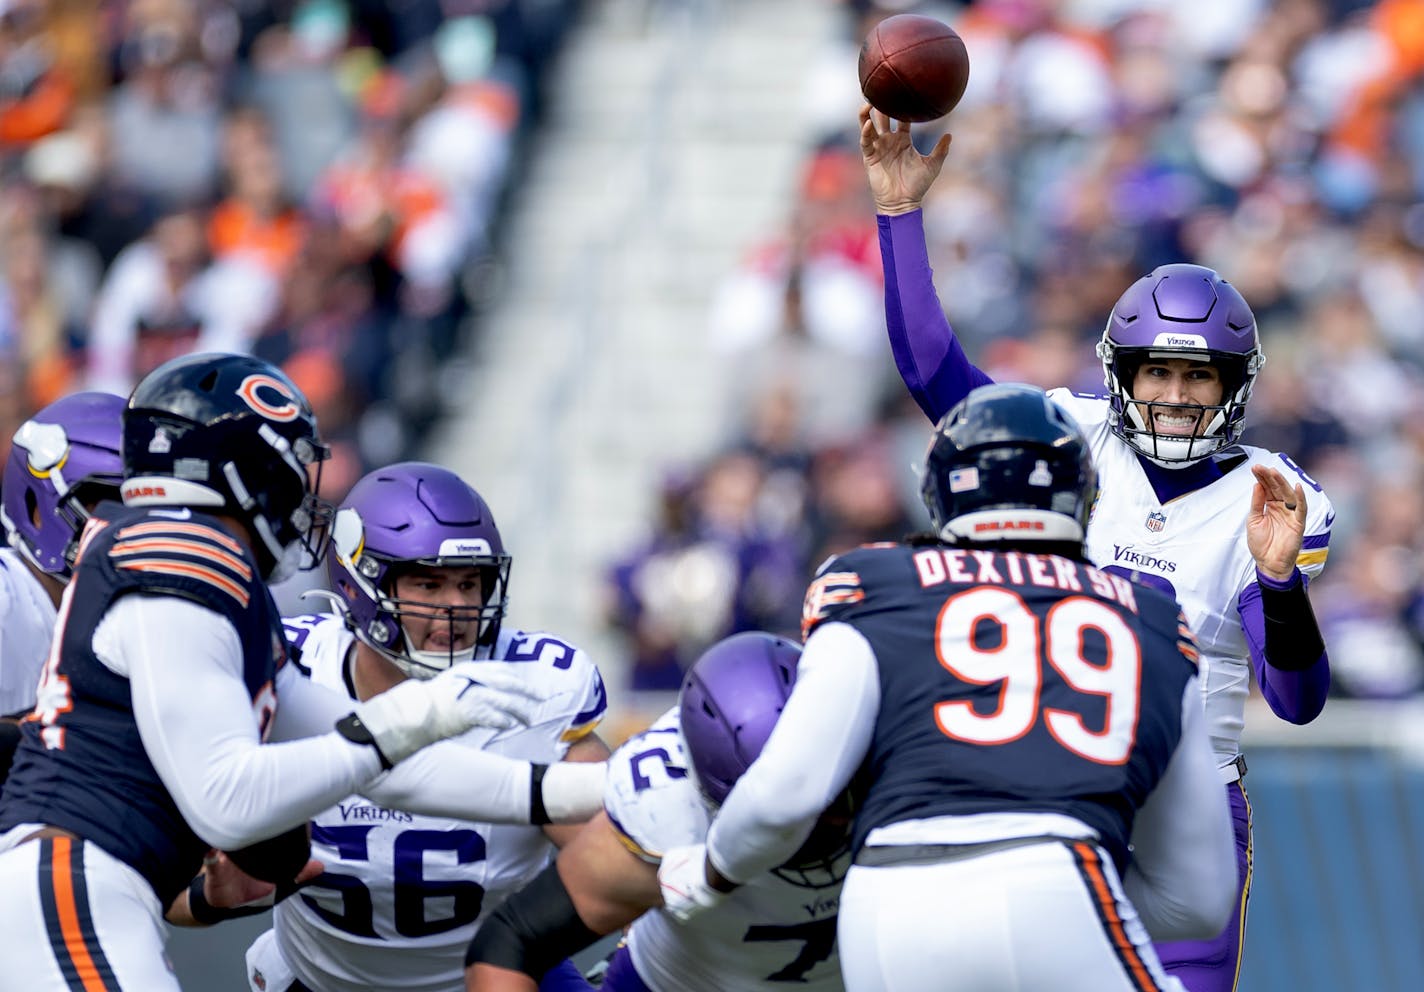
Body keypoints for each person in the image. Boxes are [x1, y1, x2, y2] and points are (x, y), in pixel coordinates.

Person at [858, 105, 1334, 991]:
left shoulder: (1272, 496)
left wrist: (1279, 583)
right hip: (1050, 789)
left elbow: (1297, 701)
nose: (1179, 393)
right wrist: (898, 215)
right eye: (1160, 369)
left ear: (1233, 387)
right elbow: (934, 376)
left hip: (1184, 810)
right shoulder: (1071, 435)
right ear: (1123, 373)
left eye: (1199, 374)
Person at [0, 352, 592, 991]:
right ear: (239, 471)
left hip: (95, 896)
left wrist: (594, 791)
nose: (302, 495)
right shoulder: (176, 552)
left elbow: (382, 766)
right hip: (73, 887)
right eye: (287, 468)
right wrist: (409, 718)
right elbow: (228, 800)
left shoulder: (215, 578)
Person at [657, 384, 1237, 991]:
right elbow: (1197, 897)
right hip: (1058, 879)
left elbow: (785, 795)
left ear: (939, 491)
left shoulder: (868, 582)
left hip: (886, 903)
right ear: (1084, 493)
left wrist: (708, 873)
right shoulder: (1151, 619)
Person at [243, 461, 611, 992]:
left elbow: (631, 852)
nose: (457, 609)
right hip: (321, 980)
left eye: (470, 583)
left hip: (491, 975)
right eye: (428, 584)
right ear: (358, 582)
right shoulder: (288, 670)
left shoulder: (536, 690)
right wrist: (210, 898)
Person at [465, 631, 850, 992]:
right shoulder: (666, 803)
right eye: (762, 809)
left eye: (824, 799)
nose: (803, 826)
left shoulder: (892, 752)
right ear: (706, 787)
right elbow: (513, 941)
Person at [0, 392, 123, 761]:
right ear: (38, 510)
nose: (131, 525)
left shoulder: (130, 616)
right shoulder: (8, 596)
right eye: (112, 503)